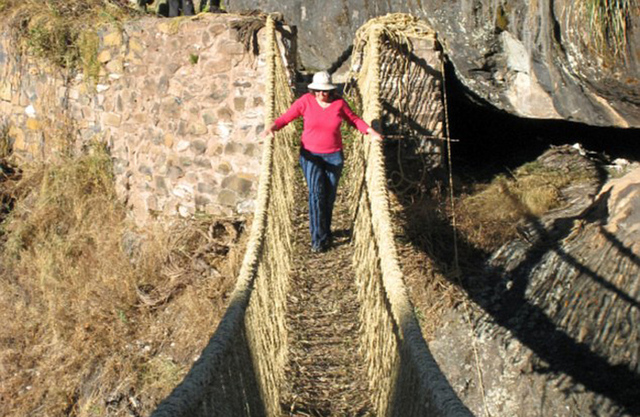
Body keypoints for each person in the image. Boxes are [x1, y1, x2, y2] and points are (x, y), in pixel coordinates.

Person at [262, 71, 383, 253]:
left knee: (328, 196)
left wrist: (371, 132)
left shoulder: (338, 103)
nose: (321, 94)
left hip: (334, 156)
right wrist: (271, 128)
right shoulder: (305, 102)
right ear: (313, 90)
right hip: (310, 156)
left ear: (331, 91)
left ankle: (325, 232)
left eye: (325, 91)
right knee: (316, 194)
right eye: (318, 90)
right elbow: (286, 118)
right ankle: (317, 240)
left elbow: (354, 120)